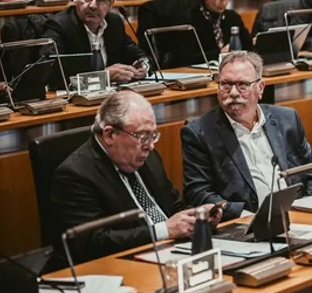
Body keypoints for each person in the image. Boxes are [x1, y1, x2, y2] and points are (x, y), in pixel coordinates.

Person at [50, 91, 222, 263]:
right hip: (121, 265)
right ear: (109, 135)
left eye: (153, 135)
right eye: (143, 136)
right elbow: (94, 242)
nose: (150, 146)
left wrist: (198, 217)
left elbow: (175, 206)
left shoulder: (149, 158)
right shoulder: (75, 175)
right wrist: (164, 231)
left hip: (174, 253)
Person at [181, 51, 312, 222]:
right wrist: (244, 217)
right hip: (245, 225)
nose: (233, 93)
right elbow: (198, 193)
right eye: (226, 84)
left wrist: (308, 207)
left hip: (299, 215)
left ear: (260, 88)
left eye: (242, 85)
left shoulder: (287, 119)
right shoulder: (199, 133)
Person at [42, 0, 150, 84]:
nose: (93, 5)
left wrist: (143, 67)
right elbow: (50, 74)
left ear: (110, 4)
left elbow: (140, 57)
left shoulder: (114, 23)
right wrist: (104, 76)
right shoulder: (60, 26)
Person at [183, 0, 252, 65]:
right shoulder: (188, 21)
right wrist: (219, 54)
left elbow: (248, 47)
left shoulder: (233, 17)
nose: (224, 1)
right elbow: (185, 58)